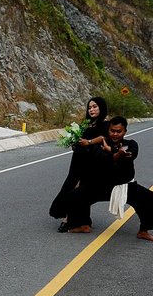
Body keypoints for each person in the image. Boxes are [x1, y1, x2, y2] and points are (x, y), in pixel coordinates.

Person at [64, 116, 153, 240]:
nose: (115, 134)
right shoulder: (99, 145)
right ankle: (83, 225)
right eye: (112, 131)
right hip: (101, 185)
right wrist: (115, 153)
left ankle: (143, 231)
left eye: (119, 131)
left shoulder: (131, 144)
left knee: (149, 199)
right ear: (108, 130)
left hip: (125, 186)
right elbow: (103, 158)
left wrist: (111, 150)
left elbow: (130, 155)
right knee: (75, 195)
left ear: (125, 131)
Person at [50, 96, 110, 231]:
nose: (91, 110)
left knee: (80, 189)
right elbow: (80, 138)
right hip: (78, 160)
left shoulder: (105, 124)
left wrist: (88, 142)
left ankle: (69, 219)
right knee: (72, 186)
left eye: (95, 107)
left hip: (92, 162)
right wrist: (74, 142)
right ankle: (83, 222)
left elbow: (103, 138)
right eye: (89, 107)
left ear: (101, 107)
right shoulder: (86, 123)